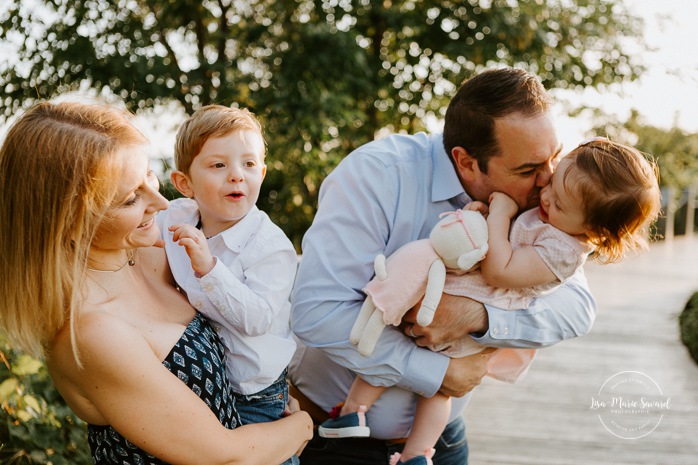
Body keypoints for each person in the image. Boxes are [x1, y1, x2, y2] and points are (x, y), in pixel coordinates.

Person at [289, 67, 596, 465]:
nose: (547, 180)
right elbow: (317, 312)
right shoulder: (375, 176)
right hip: (333, 440)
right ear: (466, 161)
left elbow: (577, 308)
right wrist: (437, 372)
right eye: (527, 170)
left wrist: (477, 315)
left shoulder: (540, 206)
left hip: (443, 444)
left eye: (553, 158)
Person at [0, 101, 312, 465]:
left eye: (150, 176)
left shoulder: (157, 250)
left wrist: (269, 397)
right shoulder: (92, 330)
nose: (162, 202)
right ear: (67, 220)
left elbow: (244, 318)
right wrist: (303, 426)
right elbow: (225, 459)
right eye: (131, 198)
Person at [316, 137, 662, 464]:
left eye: (558, 203)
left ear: (595, 232)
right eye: (552, 183)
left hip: (481, 298)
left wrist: (500, 213)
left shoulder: (564, 251)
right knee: (396, 351)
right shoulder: (551, 213)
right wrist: (480, 218)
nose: (544, 195)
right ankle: (355, 416)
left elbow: (500, 270)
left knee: (437, 390)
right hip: (463, 285)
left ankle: (413, 450)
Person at [157, 105, 300, 465]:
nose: (237, 176)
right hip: (206, 383)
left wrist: (209, 269)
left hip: (255, 393)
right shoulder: (175, 218)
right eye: (219, 165)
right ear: (184, 183)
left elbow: (257, 319)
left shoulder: (271, 246)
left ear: (262, 173)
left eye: (249, 165)